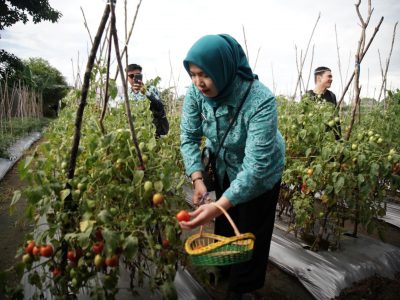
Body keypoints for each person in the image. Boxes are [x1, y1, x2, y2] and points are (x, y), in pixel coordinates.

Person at [179, 34, 285, 300]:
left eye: (204, 74)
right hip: (225, 165)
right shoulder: (195, 93)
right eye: (193, 74)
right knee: (227, 225)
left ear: (222, 68)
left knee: (250, 231)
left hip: (260, 173)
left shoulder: (260, 100)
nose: (198, 82)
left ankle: (241, 289)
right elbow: (188, 136)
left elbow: (256, 167)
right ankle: (224, 271)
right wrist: (198, 179)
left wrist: (216, 206)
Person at [126, 63, 169, 137]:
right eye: (131, 76)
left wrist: (145, 92)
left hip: (154, 130)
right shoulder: (127, 94)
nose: (134, 78)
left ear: (141, 75)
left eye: (137, 75)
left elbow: (160, 106)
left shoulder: (151, 89)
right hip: (137, 131)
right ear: (127, 78)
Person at [305, 66, 341, 139]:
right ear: (319, 78)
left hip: (327, 140)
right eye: (329, 76)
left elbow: (336, 121)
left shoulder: (331, 96)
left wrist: (339, 139)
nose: (331, 79)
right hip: (312, 139)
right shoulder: (307, 96)